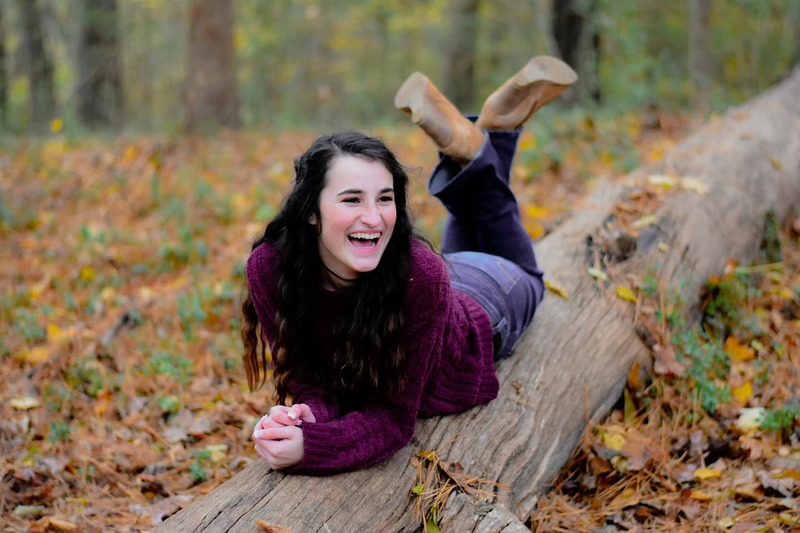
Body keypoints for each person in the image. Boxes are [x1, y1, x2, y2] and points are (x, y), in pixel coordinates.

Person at [242, 56, 577, 475]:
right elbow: (309, 378)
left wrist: (313, 446)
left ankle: (491, 138)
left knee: (530, 276)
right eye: (352, 199)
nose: (374, 217)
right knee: (473, 222)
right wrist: (308, 414)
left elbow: (395, 419)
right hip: (439, 279)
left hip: (489, 299)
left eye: (385, 199)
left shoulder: (422, 275)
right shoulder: (271, 268)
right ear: (310, 211)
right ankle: (489, 138)